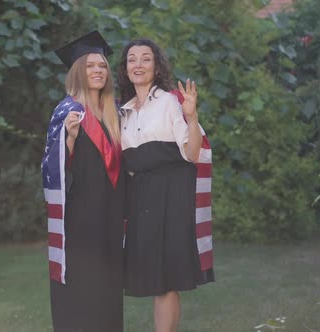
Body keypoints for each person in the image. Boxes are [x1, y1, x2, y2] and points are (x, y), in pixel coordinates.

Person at [117, 38, 215, 332]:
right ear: (125, 68)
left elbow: (192, 153)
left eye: (145, 59)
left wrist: (191, 115)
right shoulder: (123, 110)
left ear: (156, 66)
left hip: (172, 194)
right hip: (141, 196)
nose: (138, 64)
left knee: (167, 277)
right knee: (155, 277)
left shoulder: (172, 101)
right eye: (132, 59)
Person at [41, 31, 125, 332]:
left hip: (112, 211)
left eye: (102, 66)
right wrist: (71, 139)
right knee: (84, 281)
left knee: (109, 282)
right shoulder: (67, 111)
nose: (98, 71)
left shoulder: (115, 112)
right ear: (79, 71)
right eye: (90, 66)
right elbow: (50, 169)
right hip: (81, 213)